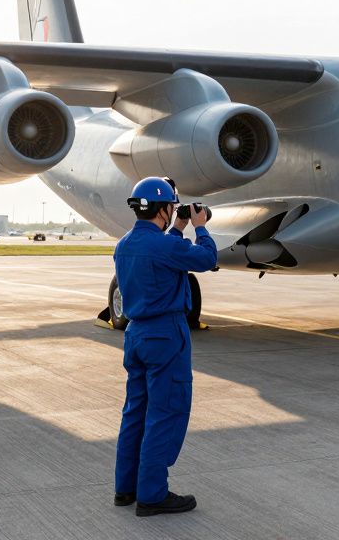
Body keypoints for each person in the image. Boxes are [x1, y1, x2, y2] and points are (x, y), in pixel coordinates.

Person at [112, 177, 217, 516]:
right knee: (165, 413)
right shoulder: (163, 246)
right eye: (172, 207)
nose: (175, 211)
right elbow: (205, 259)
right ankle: (153, 494)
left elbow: (162, 254)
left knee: (135, 413)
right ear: (162, 209)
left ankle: (125, 489)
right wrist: (199, 228)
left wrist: (178, 227)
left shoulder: (125, 244)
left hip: (136, 334)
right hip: (165, 336)